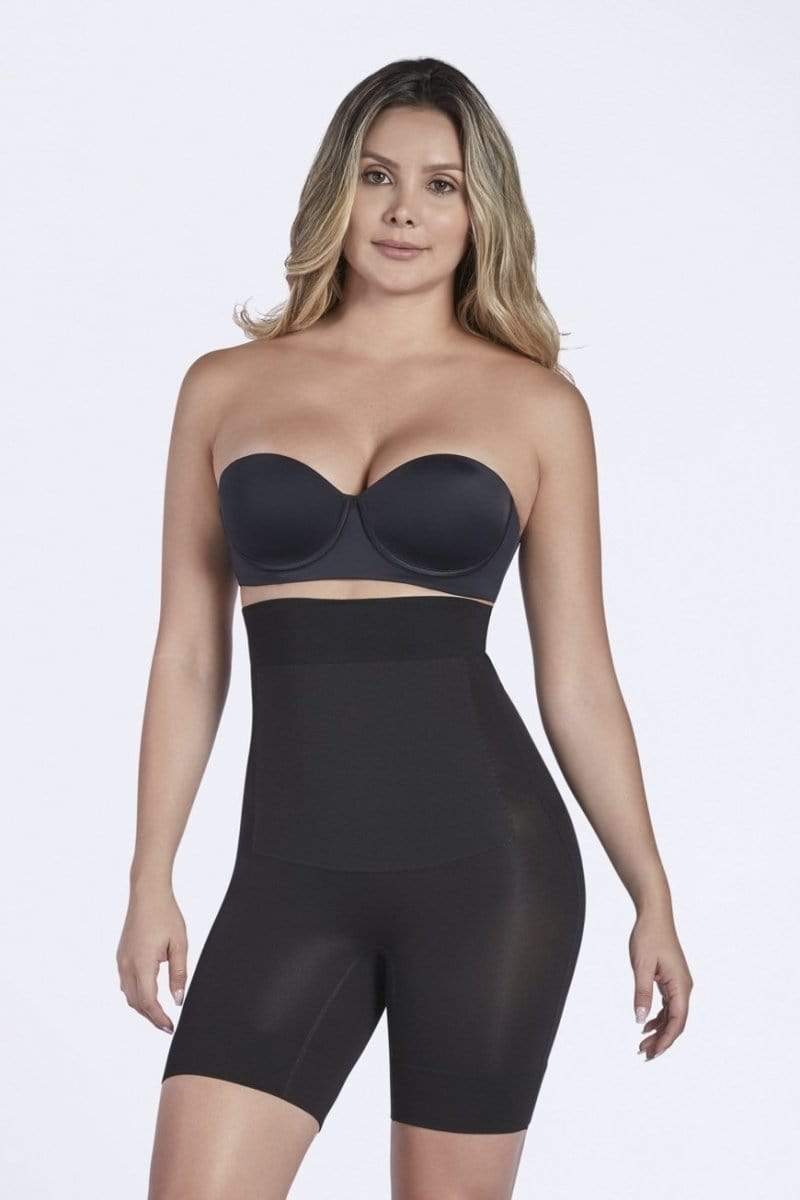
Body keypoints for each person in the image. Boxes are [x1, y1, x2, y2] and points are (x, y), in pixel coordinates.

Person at [117, 57, 693, 1200]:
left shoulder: (535, 406)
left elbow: (577, 677)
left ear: (480, 213)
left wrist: (651, 893)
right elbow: (188, 654)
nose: (402, 212)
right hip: (288, 876)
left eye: (441, 185)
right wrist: (150, 873)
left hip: (489, 874)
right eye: (378, 177)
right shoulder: (223, 389)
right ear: (338, 191)